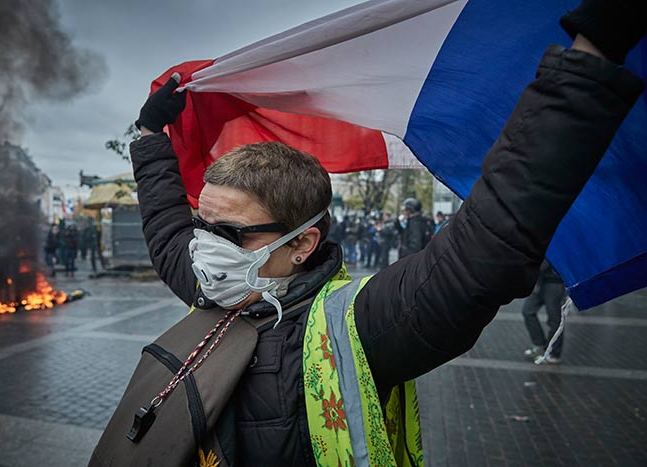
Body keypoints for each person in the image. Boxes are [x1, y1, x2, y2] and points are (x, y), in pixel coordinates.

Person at [98, 3, 646, 465]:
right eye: (203, 226)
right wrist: (150, 134)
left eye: (230, 233)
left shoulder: (358, 327)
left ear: (301, 243)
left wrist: (588, 59)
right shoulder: (212, 288)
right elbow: (166, 225)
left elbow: (491, 235)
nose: (204, 250)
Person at [522, 260, 567, 364]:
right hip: (541, 281)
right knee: (527, 311)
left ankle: (554, 353)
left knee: (554, 319)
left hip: (555, 282)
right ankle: (539, 345)